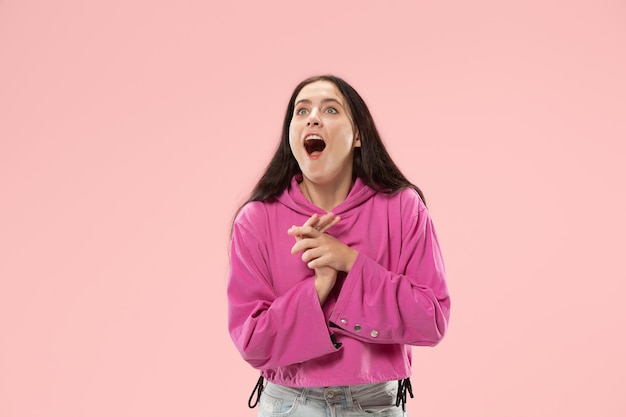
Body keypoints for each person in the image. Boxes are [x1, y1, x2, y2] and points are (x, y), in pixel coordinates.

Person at [227, 74, 450, 416]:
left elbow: (432, 320)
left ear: (358, 134)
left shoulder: (404, 208)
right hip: (288, 404)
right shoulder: (255, 220)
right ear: (291, 136)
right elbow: (252, 343)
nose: (313, 117)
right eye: (301, 111)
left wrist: (350, 262)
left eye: (330, 109)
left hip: (377, 403)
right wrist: (319, 287)